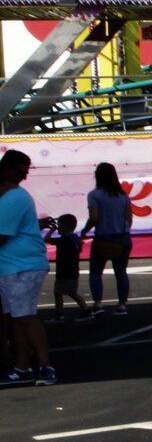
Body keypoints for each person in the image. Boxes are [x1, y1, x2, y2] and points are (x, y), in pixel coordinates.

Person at [0, 148, 54, 386]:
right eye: (22, 171)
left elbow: (1, 235)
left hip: (21, 266)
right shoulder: (11, 197)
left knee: (26, 317)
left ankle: (45, 367)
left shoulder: (14, 198)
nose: (25, 176)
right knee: (18, 318)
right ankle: (22, 367)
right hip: (14, 265)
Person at [81, 161, 134, 316]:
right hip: (122, 237)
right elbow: (129, 218)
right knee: (121, 272)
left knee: (96, 272)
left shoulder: (94, 195)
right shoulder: (123, 196)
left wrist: (85, 230)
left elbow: (94, 217)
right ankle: (122, 304)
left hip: (103, 237)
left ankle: (98, 303)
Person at [45, 214, 85, 320]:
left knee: (58, 293)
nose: (58, 227)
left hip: (64, 272)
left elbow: (47, 239)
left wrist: (52, 230)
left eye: (59, 225)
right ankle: (86, 310)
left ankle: (59, 314)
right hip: (73, 271)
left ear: (65, 226)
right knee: (72, 293)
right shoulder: (75, 238)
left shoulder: (64, 240)